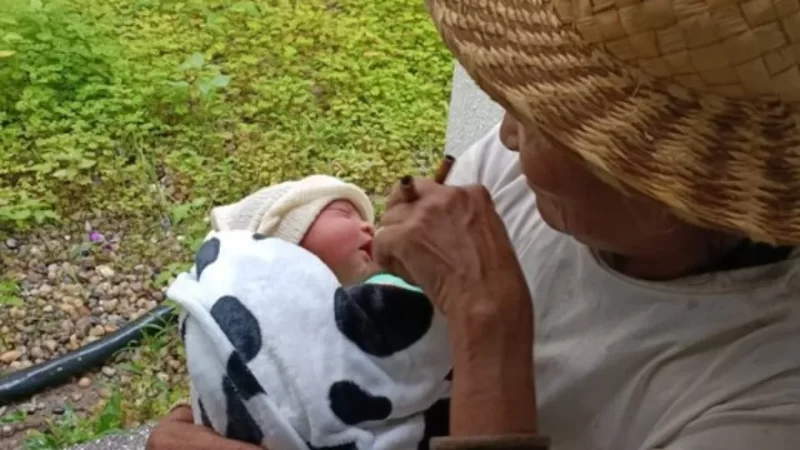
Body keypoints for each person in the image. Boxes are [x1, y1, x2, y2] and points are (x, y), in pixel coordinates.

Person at [147, 0, 800, 448]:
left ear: (664, 178)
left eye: (542, 119)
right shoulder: (524, 181)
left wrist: (490, 323)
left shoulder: (766, 405)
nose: (505, 135)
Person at [167, 175, 451, 449]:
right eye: (344, 214)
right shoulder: (265, 304)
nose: (368, 227)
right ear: (278, 243)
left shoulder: (390, 286)